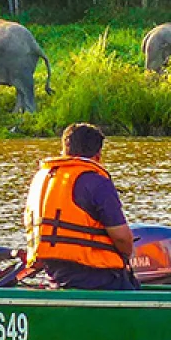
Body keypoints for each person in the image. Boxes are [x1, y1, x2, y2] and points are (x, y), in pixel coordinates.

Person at [24, 122, 138, 290]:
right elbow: (121, 237)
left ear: (64, 151)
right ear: (98, 154)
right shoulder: (97, 182)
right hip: (95, 276)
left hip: (55, 274)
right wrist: (128, 256)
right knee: (131, 285)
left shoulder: (42, 178)